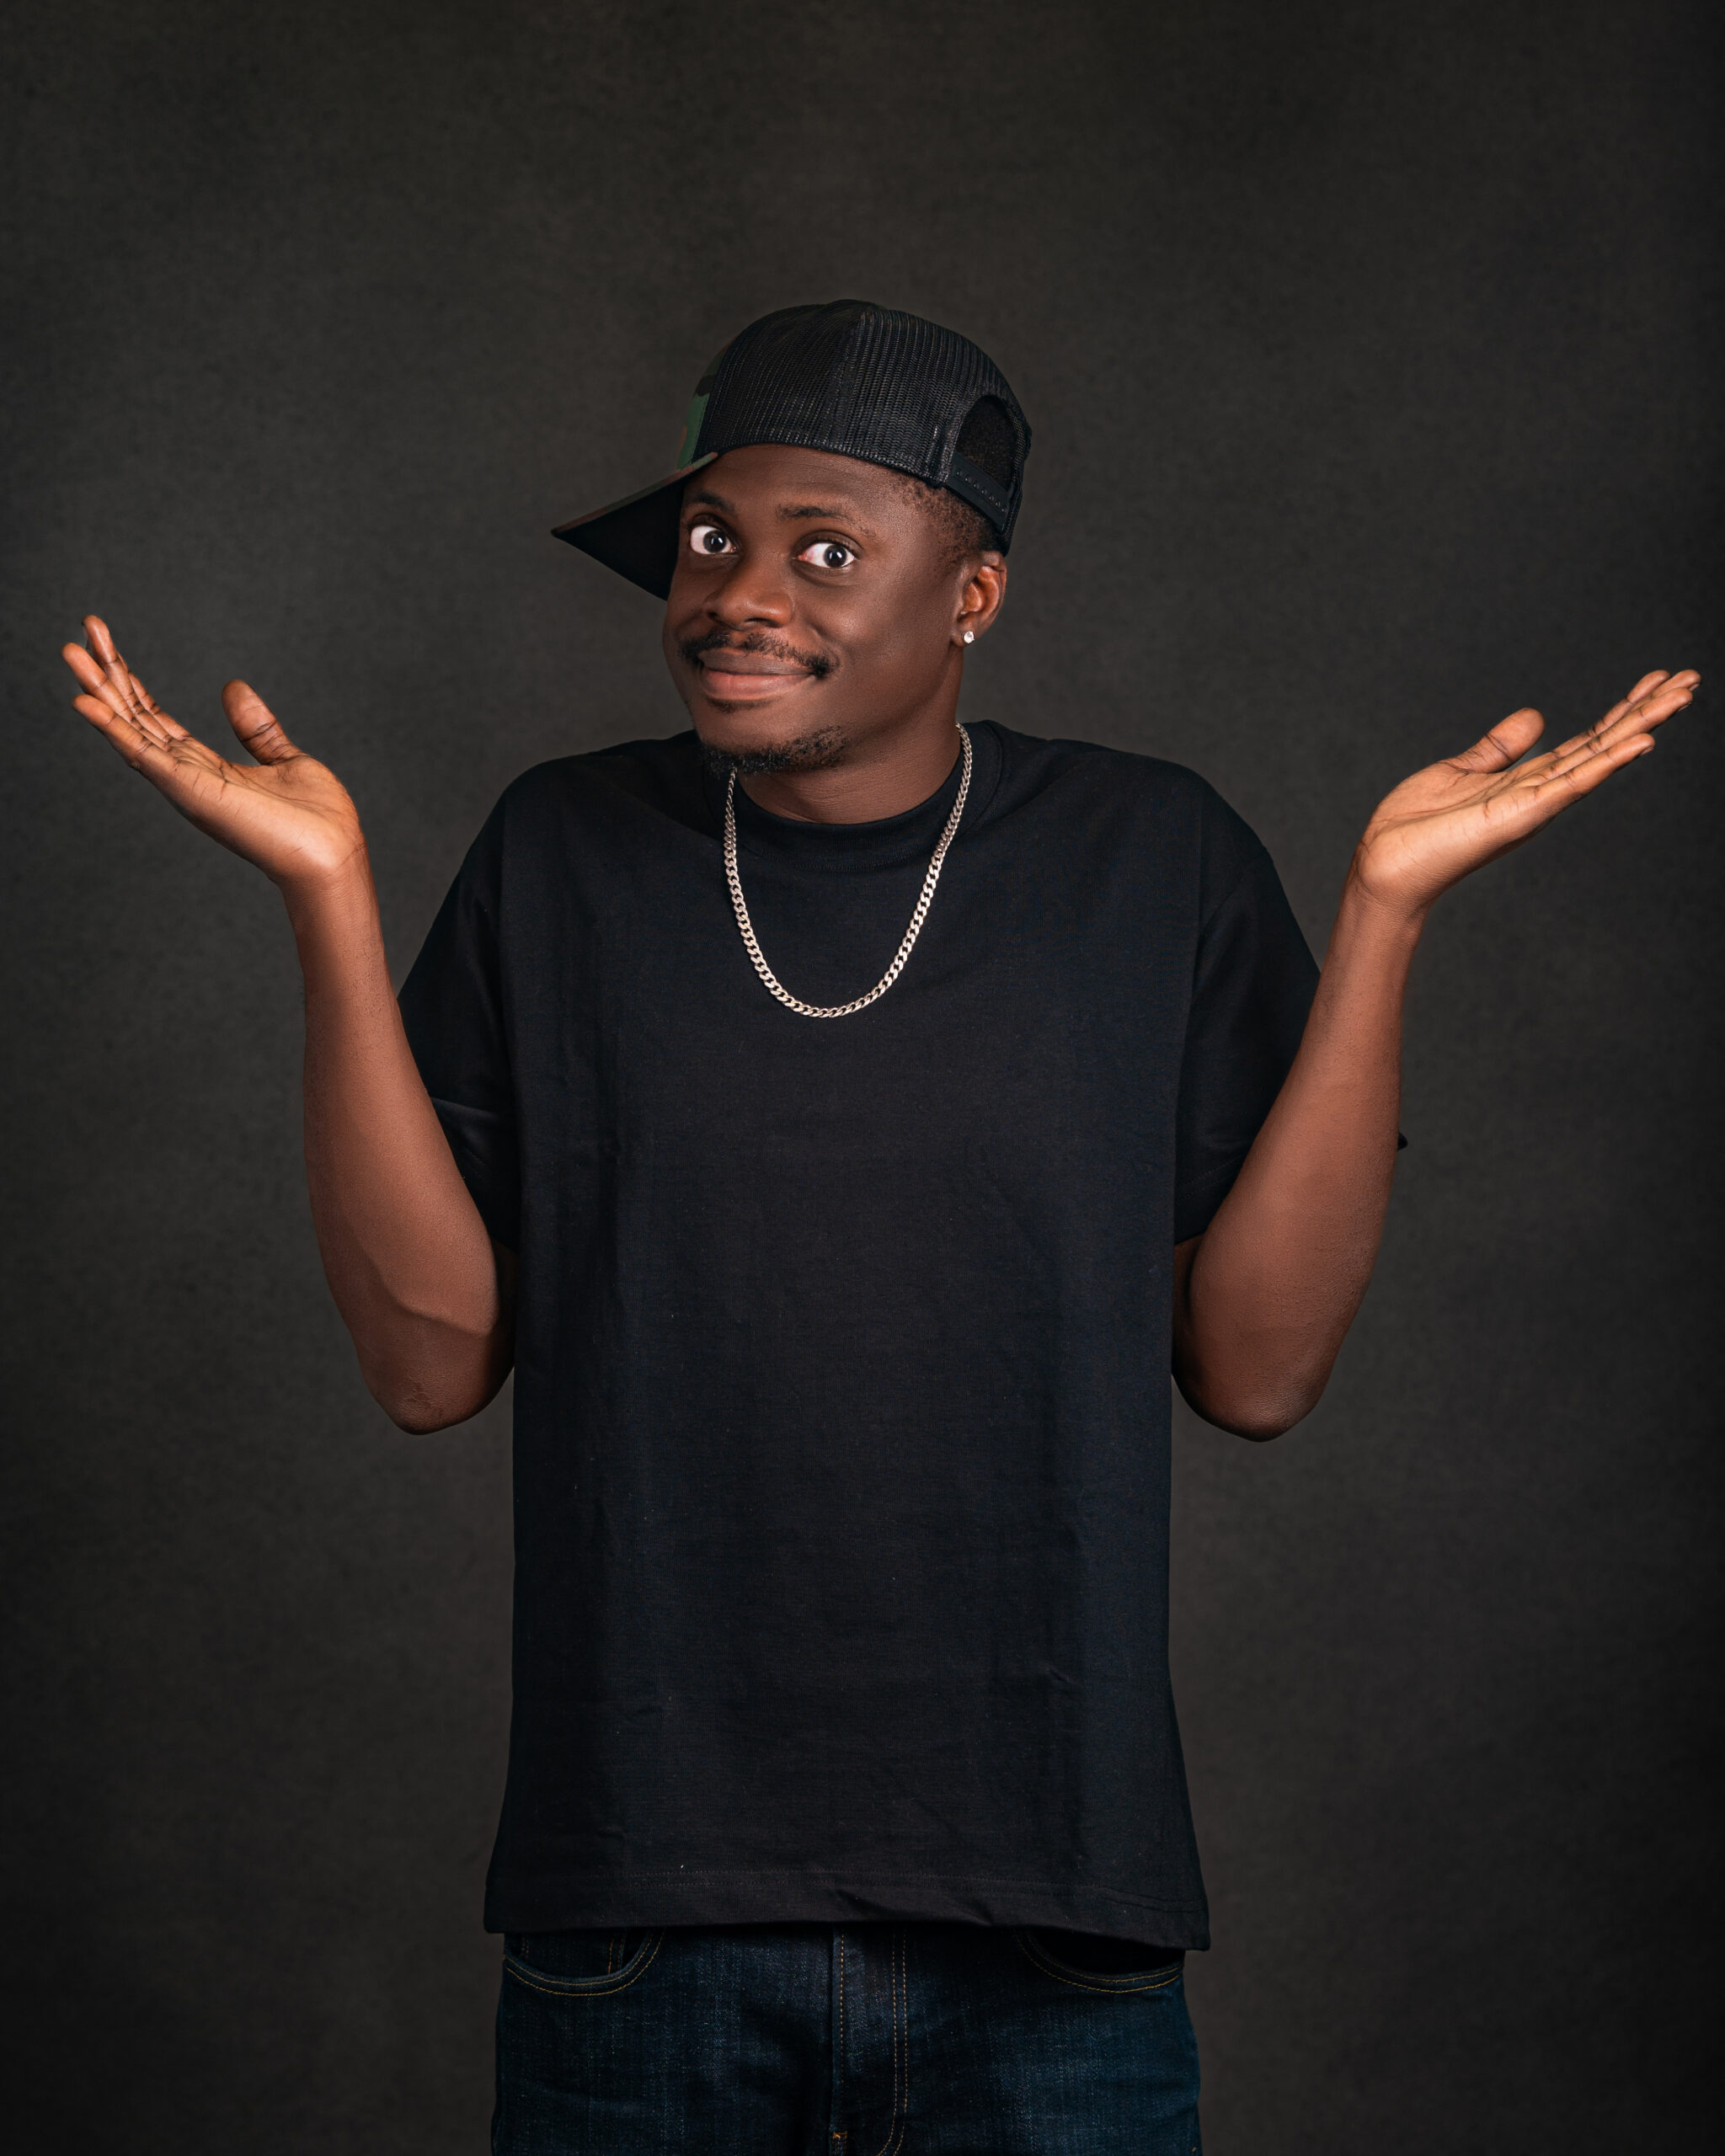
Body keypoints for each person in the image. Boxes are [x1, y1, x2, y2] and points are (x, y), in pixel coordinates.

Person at [61, 301, 1696, 2155]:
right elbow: (430, 1365)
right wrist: (329, 903)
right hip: (642, 1918)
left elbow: (1254, 1372)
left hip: (1051, 1921)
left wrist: (1385, 918)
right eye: (710, 538)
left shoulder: (1152, 857)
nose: (738, 595)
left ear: (973, 593)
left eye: (824, 549)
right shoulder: (559, 850)